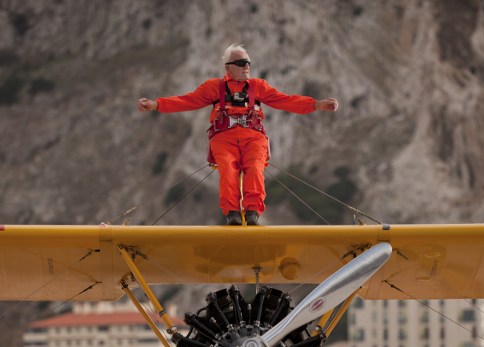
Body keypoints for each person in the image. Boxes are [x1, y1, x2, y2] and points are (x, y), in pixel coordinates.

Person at [137, 44, 338, 225]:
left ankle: (252, 211)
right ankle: (232, 212)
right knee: (227, 168)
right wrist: (157, 105)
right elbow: (187, 100)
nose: (246, 67)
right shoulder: (214, 87)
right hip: (223, 138)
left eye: (248, 63)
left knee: (255, 167)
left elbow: (285, 100)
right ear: (228, 67)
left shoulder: (258, 87)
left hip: (254, 137)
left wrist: (315, 104)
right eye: (241, 63)